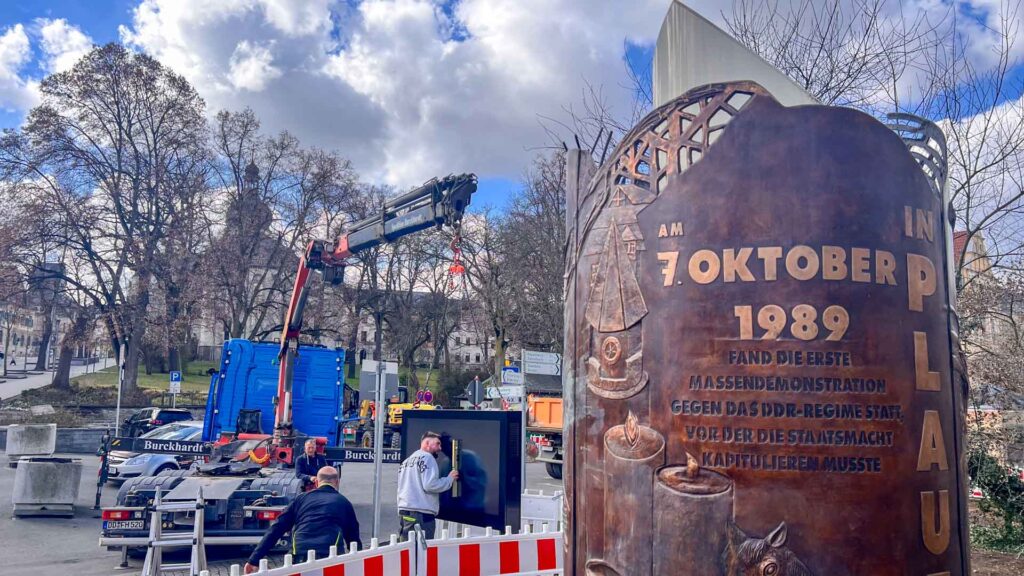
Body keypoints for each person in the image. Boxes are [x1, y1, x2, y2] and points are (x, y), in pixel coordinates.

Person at [244, 466, 361, 574]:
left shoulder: (301, 499)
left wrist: (254, 559)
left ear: (316, 482)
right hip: (330, 554)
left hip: (300, 552)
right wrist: (358, 560)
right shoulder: (343, 502)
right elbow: (353, 537)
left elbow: (277, 529)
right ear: (337, 482)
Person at [397, 431, 459, 541]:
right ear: (427, 443)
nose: (440, 448)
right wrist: (449, 479)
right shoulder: (428, 458)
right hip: (421, 514)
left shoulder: (407, 461)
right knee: (422, 550)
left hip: (404, 512)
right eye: (437, 444)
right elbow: (430, 485)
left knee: (407, 549)